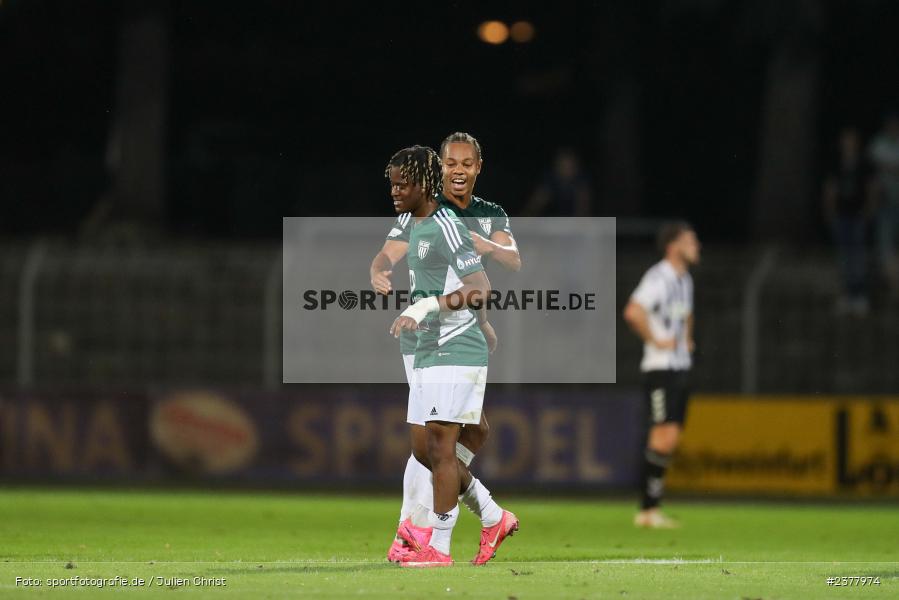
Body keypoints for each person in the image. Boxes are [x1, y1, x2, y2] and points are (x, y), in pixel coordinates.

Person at [370, 134, 521, 564]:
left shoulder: (463, 222)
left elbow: (484, 283)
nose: (395, 192)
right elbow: (388, 256)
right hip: (426, 343)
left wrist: (429, 306)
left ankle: (425, 540)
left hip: (453, 341)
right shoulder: (415, 222)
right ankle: (491, 515)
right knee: (428, 449)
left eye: (402, 185)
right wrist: (381, 273)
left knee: (442, 448)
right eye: (450, 162)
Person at [622, 222, 700, 528]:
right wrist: (656, 339)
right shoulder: (659, 277)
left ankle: (652, 507)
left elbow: (687, 314)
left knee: (671, 437)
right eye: (691, 241)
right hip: (660, 368)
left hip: (680, 367)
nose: (697, 247)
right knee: (661, 435)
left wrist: (687, 338)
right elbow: (633, 311)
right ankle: (647, 510)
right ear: (673, 246)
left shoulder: (685, 280)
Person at [822, 127, 876, 315]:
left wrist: (869, 209)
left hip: (858, 214)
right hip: (841, 215)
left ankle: (859, 295)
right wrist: (829, 211)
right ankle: (846, 294)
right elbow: (831, 188)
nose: (848, 143)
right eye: (845, 140)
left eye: (851, 140)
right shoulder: (836, 162)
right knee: (843, 256)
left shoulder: (863, 162)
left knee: (858, 255)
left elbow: (871, 188)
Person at [868, 113, 899, 300]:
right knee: (884, 246)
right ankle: (891, 288)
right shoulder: (879, 143)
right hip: (884, 202)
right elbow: (876, 161)